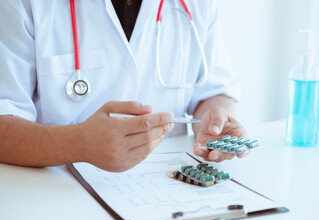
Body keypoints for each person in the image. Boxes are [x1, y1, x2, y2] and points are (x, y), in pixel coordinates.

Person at [0, 0, 248, 172]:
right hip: (56, 194)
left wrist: (215, 122)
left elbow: (215, 90)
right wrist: (77, 144)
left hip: (166, 191)